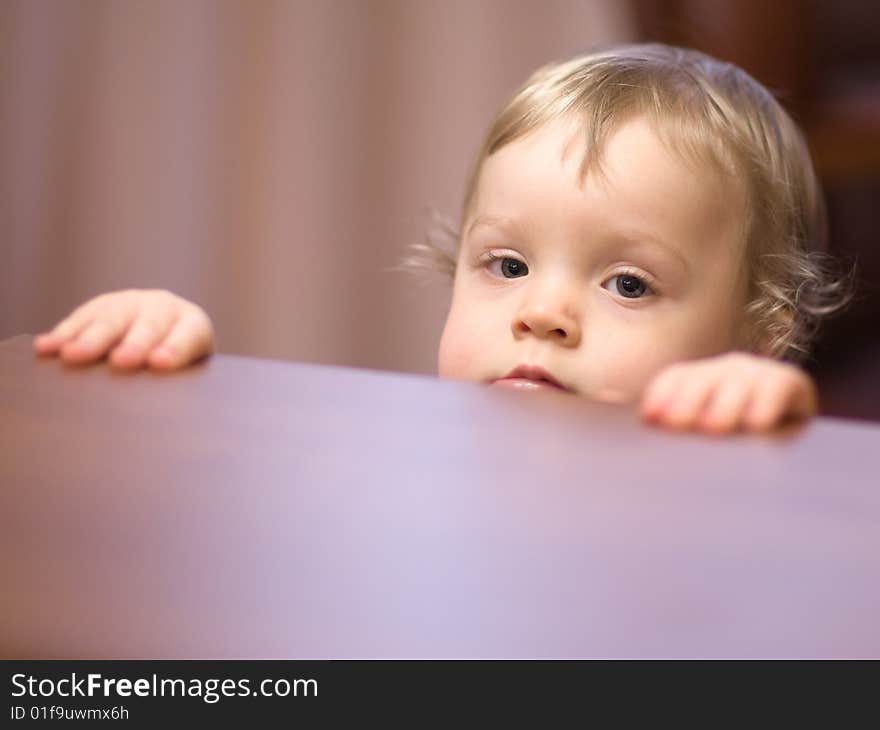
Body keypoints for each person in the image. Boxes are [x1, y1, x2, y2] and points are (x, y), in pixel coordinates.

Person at [33, 43, 849, 433]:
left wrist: (761, 432)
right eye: (508, 264)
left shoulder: (724, 465)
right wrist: (171, 390)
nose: (542, 313)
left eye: (628, 283)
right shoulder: (407, 451)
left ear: (762, 331)